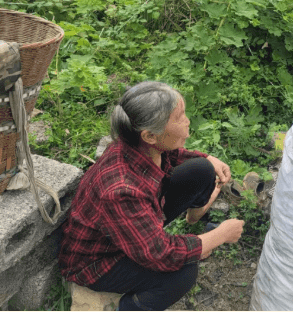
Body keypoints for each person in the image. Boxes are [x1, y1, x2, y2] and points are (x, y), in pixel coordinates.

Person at [58, 81, 245, 311]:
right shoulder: (121, 191)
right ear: (149, 136)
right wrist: (221, 235)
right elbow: (160, 253)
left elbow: (174, 155)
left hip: (128, 232)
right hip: (98, 261)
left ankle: (194, 218)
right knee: (183, 272)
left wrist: (208, 158)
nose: (188, 121)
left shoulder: (138, 145)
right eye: (180, 118)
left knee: (201, 169)